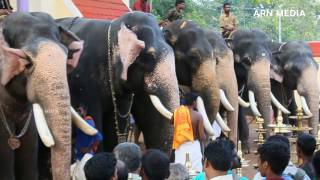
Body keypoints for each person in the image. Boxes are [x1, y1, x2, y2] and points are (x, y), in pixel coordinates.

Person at [173, 92, 206, 172]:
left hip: (180, 147)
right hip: (194, 147)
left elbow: (171, 122)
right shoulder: (198, 116)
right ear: (194, 103)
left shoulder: (177, 113)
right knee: (195, 173)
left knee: (180, 171)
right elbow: (202, 137)